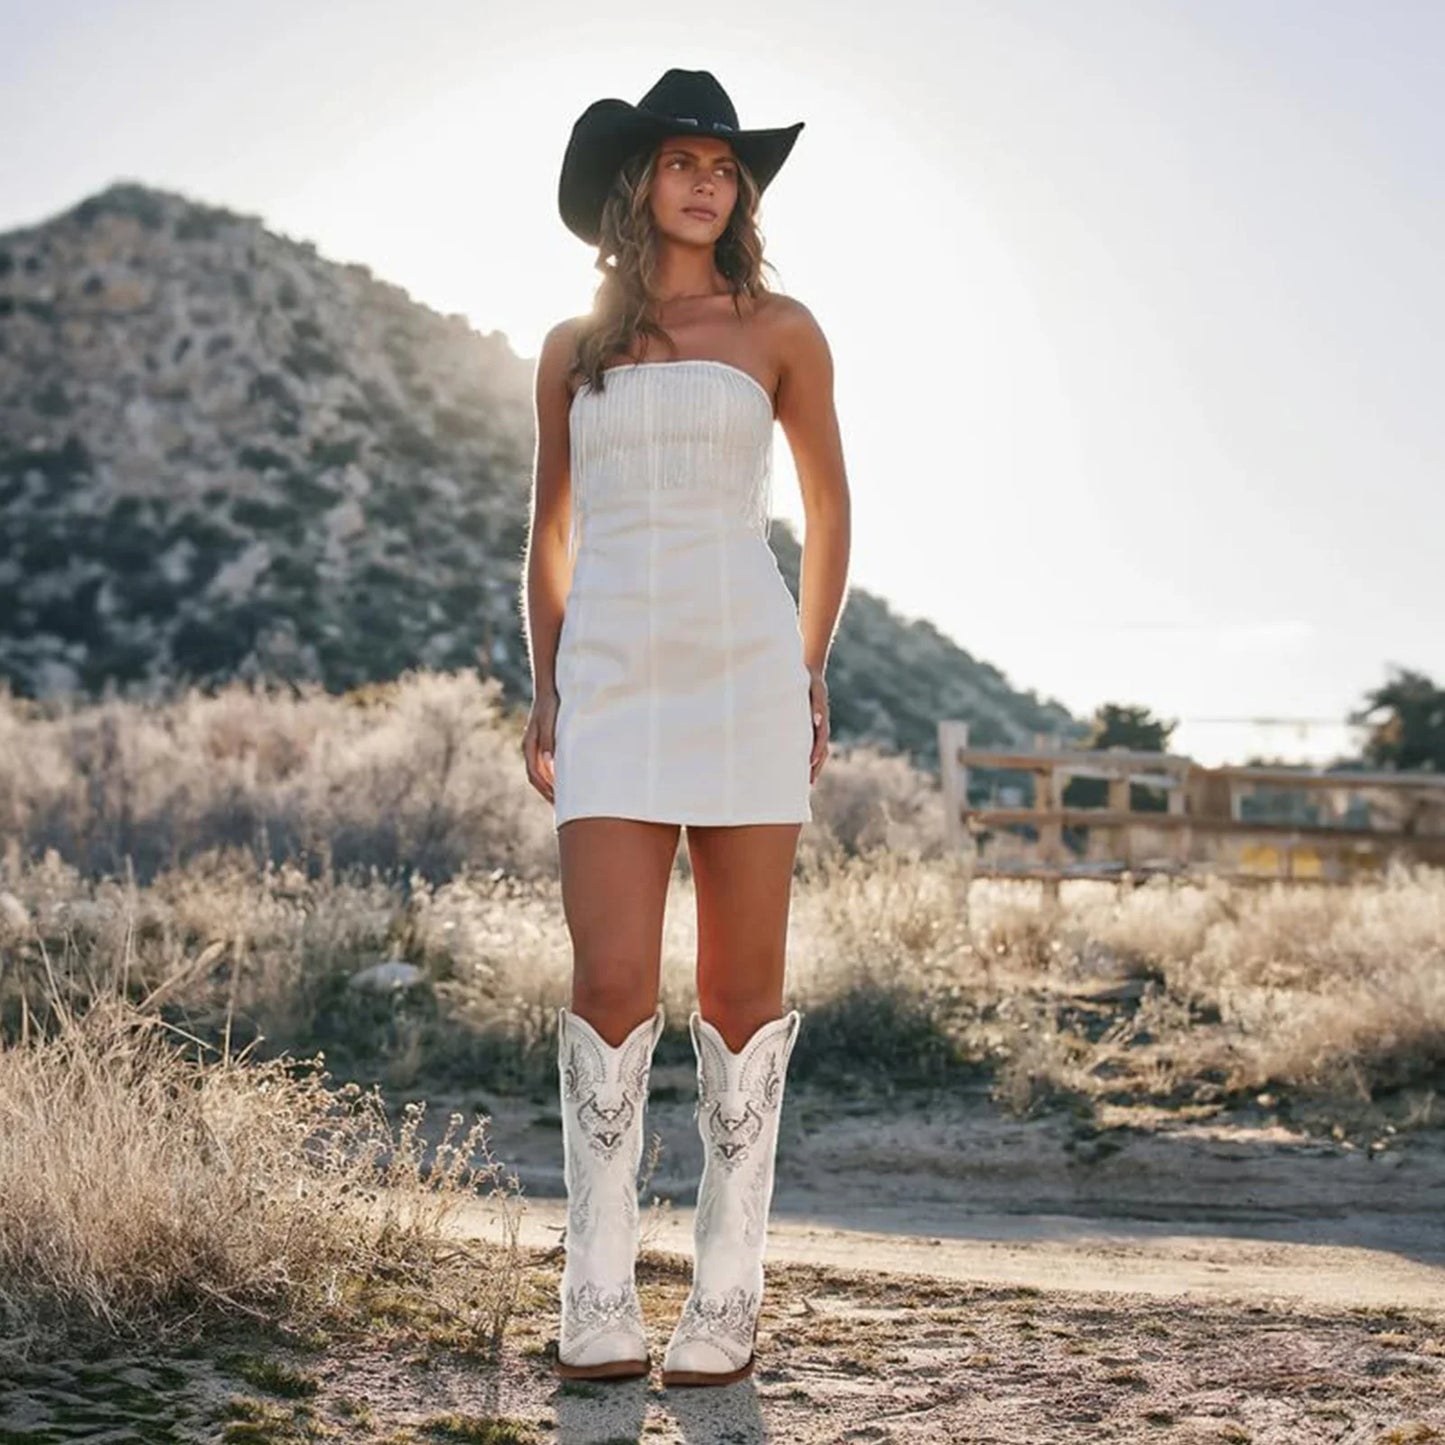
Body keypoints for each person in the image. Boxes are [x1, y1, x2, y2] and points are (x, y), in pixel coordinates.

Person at [521, 67, 851, 1388]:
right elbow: (545, 535)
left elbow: (827, 515)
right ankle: (595, 1284)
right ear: (637, 183)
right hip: (608, 674)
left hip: (743, 671)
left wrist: (810, 664)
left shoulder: (781, 331)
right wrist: (544, 682)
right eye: (683, 161)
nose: (709, 180)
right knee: (606, 986)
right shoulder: (570, 347)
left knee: (738, 995)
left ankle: (727, 1293)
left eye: (726, 164)